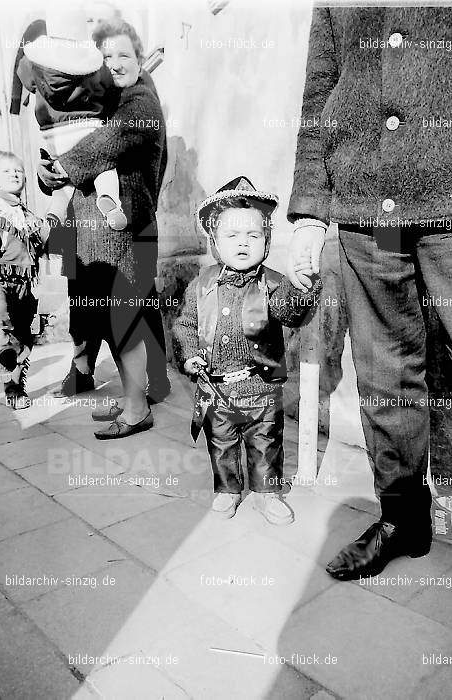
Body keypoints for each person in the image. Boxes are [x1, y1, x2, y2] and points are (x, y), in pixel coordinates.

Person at [286, 6, 452, 579]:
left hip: (446, 201)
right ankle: (403, 517)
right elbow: (320, 89)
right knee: (384, 369)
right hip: (368, 207)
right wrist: (309, 212)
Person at [38, 18, 168, 438]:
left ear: (138, 58)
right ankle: (133, 396)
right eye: (106, 56)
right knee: (110, 317)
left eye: (124, 54)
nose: (115, 63)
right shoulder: (101, 102)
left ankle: (137, 408)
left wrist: (64, 164)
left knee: (127, 317)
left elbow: (109, 141)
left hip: (127, 229)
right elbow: (66, 142)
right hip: (92, 232)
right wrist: (48, 171)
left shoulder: (141, 100)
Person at [173, 177, 321, 524]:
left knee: (265, 443)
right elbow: (184, 325)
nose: (243, 244)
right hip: (216, 389)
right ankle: (227, 490)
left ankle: (268, 493)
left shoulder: (272, 283)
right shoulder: (202, 285)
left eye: (253, 236)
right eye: (232, 236)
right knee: (221, 444)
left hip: (261, 389)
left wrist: (302, 287)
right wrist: (189, 354)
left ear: (266, 242)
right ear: (215, 243)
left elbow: (290, 311)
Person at [18, 7, 126, 231]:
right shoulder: (95, 64)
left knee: (62, 189)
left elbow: (25, 78)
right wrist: (45, 173)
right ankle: (109, 199)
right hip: (88, 127)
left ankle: (52, 218)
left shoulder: (36, 61)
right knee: (105, 171)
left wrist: (62, 166)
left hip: (52, 134)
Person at [0, 151, 50, 408]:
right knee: (3, 328)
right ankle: (4, 352)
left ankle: (15, 389)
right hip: (0, 282)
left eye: (18, 170)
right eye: (6, 171)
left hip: (24, 285)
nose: (14, 174)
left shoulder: (28, 216)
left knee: (24, 338)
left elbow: (41, 245)